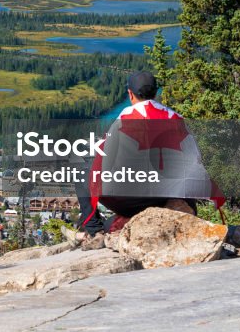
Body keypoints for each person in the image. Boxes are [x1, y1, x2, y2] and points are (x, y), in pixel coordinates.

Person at [81, 71, 225, 234]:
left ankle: (95, 230)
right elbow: (195, 160)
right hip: (168, 195)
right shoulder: (176, 118)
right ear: (156, 93)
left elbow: (105, 158)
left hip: (133, 200)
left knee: (83, 173)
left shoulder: (126, 117)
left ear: (130, 94)